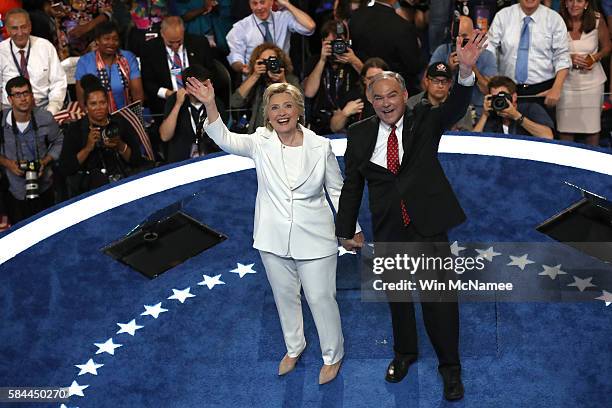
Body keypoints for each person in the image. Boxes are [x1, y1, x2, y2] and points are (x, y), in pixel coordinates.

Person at [335, 31, 488, 401]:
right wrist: (345, 230)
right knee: (399, 299)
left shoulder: (425, 119)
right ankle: (404, 354)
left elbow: (455, 107)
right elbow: (352, 186)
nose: (386, 103)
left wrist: (466, 72)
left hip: (428, 225)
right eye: (378, 97)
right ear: (369, 101)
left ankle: (450, 368)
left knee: (439, 302)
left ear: (405, 95)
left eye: (392, 95)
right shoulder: (358, 135)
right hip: (389, 228)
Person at [188, 77, 362, 385]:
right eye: (274, 107)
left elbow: (337, 190)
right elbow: (225, 139)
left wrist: (351, 228)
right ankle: (294, 347)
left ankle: (332, 355)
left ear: (299, 111)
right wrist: (210, 103)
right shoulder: (259, 141)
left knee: (321, 297)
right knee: (285, 296)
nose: (281, 113)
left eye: (287, 106)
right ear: (267, 114)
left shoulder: (321, 147)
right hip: (272, 237)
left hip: (316, 237)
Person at [59, 75, 142, 198]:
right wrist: (88, 148)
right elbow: (66, 168)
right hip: (91, 191)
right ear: (86, 107)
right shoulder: (76, 129)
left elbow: (136, 159)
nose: (98, 108)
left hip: (123, 183)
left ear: (108, 103)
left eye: (102, 103)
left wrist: (119, 144)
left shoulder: (119, 122)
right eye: (93, 104)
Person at [0, 76, 62, 224]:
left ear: (32, 95)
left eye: (26, 93)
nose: (23, 98)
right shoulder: (1, 121)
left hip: (44, 187)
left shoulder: (45, 118)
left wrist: (45, 161)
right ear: (9, 99)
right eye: (17, 95)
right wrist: (8, 164)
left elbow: (59, 140)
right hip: (14, 192)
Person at [487, 0, 571, 107]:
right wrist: (490, 81)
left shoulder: (554, 19)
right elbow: (489, 50)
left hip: (543, 91)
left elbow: (562, 56)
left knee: (542, 124)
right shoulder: (503, 16)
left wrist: (556, 88)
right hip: (507, 89)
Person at [557, 0, 611, 145]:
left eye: (579, 1)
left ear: (586, 4)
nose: (575, 4)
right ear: (565, 3)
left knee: (592, 130)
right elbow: (547, 50)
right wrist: (569, 58)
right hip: (565, 84)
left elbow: (607, 48)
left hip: (592, 85)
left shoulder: (597, 19)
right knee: (565, 130)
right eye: (570, 0)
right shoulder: (556, 20)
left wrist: (594, 58)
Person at [141, 16, 216, 119]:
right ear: (162, 34)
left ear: (183, 32)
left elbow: (211, 72)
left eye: (179, 41)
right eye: (171, 43)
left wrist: (199, 90)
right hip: (166, 104)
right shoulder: (149, 49)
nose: (176, 46)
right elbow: (148, 82)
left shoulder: (200, 43)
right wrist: (168, 94)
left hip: (198, 100)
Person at [0, 8, 66, 115]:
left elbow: (58, 82)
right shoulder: (1, 51)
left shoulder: (45, 47)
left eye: (23, 27)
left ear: (30, 26)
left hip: (43, 108)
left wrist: (50, 112)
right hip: (10, 111)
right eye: (14, 28)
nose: (20, 33)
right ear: (7, 29)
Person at [349, 0, 424, 94]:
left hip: (359, 89)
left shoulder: (356, 17)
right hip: (393, 92)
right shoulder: (404, 27)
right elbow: (414, 67)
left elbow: (349, 49)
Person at [303, 20, 363, 135]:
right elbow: (309, 92)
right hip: (319, 126)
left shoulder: (355, 60)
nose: (337, 46)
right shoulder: (315, 61)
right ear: (323, 42)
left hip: (350, 123)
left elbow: (372, 81)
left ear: (347, 42)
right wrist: (322, 60)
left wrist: (354, 61)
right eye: (331, 43)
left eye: (340, 42)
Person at [430, 15, 497, 117]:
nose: (460, 41)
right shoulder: (442, 51)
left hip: (478, 112)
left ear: (473, 35)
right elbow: (426, 85)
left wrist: (471, 67)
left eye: (465, 36)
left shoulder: (487, 56)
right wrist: (448, 69)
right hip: (446, 110)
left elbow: (490, 91)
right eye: (457, 36)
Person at [226, 0, 316, 75]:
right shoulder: (240, 28)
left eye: (262, 2)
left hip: (283, 75)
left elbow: (309, 27)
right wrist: (242, 68)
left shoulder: (283, 18)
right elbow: (235, 58)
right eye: (254, 3)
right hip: (256, 78)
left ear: (271, 2)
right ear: (250, 5)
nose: (259, 7)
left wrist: (287, 4)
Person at [159, 64, 224, 163]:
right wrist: (178, 104)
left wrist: (209, 103)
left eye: (206, 86)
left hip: (209, 161)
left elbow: (221, 138)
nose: (203, 90)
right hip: (180, 162)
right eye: (198, 87)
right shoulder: (174, 100)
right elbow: (165, 136)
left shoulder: (215, 103)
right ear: (188, 88)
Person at [75, 21, 144, 113]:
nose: (111, 43)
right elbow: (82, 98)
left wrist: (135, 117)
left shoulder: (128, 58)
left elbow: (137, 93)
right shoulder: (85, 61)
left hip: (126, 115)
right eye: (106, 39)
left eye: (115, 39)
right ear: (97, 40)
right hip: (96, 117)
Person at [230, 43, 301, 132]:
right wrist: (254, 76)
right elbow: (235, 102)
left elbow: (299, 106)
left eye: (273, 61)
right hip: (258, 136)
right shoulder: (256, 81)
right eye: (265, 62)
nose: (269, 65)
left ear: (280, 61)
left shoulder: (290, 80)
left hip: (284, 135)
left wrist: (282, 82)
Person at [473, 75, 554, 138]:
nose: (499, 100)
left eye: (502, 96)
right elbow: (473, 143)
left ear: (514, 96)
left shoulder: (531, 109)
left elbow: (548, 136)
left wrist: (517, 116)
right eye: (495, 97)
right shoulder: (492, 114)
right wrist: (484, 115)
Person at [407, 62, 474, 130]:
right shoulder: (412, 103)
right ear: (426, 81)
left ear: (450, 83)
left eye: (444, 81)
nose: (440, 85)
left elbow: (466, 136)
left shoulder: (461, 106)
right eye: (435, 81)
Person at [330, 57, 389, 133]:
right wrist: (344, 113)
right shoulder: (354, 96)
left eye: (379, 77)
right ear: (364, 80)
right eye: (370, 78)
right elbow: (334, 127)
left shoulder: (393, 98)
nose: (375, 81)